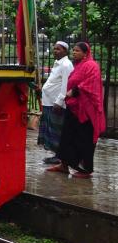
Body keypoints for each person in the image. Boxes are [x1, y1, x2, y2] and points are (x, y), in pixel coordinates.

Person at [47, 42, 106, 178]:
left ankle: (86, 170)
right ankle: (64, 164)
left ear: (86, 53)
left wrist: (74, 91)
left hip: (86, 110)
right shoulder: (78, 66)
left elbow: (91, 84)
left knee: (84, 139)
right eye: (73, 50)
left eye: (78, 51)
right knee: (67, 137)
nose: (74, 53)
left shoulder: (92, 65)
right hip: (74, 107)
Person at [38, 41, 73, 164]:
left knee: (57, 131)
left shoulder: (66, 65)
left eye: (58, 49)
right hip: (48, 102)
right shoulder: (58, 63)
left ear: (65, 51)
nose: (55, 51)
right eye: (54, 49)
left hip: (56, 103)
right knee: (50, 130)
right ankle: (56, 154)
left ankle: (59, 156)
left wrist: (59, 102)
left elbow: (66, 85)